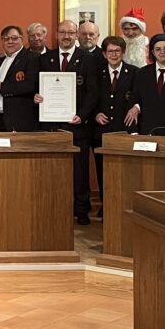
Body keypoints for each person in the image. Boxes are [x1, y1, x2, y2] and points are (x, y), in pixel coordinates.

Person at [38, 20, 99, 225]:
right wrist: (36, 97)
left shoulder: (88, 59)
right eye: (62, 32)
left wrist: (81, 115)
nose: (66, 36)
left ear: (76, 36)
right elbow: (37, 86)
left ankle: (81, 209)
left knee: (79, 171)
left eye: (70, 32)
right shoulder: (45, 58)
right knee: (52, 170)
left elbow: (93, 93)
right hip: (50, 125)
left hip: (78, 125)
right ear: (56, 34)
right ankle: (54, 208)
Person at [91, 36, 138, 205]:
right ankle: (105, 206)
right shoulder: (97, 72)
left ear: (123, 52)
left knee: (124, 172)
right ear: (104, 54)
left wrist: (136, 107)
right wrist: (95, 114)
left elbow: (140, 96)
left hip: (123, 129)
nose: (114, 54)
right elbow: (90, 98)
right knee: (103, 171)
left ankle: (122, 206)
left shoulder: (134, 72)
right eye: (110, 51)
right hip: (101, 131)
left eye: (117, 50)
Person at [132, 34, 165, 136]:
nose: (162, 52)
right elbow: (135, 100)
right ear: (152, 52)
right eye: (158, 49)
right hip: (147, 133)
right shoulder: (142, 74)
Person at [0, 25, 39, 131]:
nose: (10, 41)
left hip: (20, 120)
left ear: (22, 39)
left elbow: (30, 85)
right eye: (6, 39)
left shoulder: (32, 58)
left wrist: (2, 86)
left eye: (14, 38)